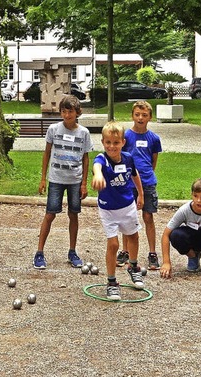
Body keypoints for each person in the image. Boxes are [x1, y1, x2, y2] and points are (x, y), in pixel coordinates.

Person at [32, 95, 93, 270]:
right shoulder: (53, 129)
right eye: (64, 112)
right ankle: (39, 252)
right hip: (56, 178)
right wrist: (43, 178)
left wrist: (84, 183)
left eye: (70, 112)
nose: (67, 115)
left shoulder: (84, 133)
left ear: (77, 113)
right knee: (50, 214)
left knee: (73, 214)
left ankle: (72, 251)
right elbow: (47, 153)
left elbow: (86, 158)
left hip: (74, 179)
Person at [91, 121, 145, 301]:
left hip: (127, 206)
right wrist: (98, 175)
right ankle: (112, 282)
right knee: (113, 244)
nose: (111, 146)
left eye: (115, 143)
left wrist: (141, 195)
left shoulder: (128, 158)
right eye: (108, 143)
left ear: (123, 142)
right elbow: (97, 166)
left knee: (134, 237)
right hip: (108, 209)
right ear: (103, 142)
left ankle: (134, 267)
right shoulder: (102, 159)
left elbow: (135, 176)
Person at [117, 100, 162, 270]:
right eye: (137, 115)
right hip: (129, 183)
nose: (140, 118)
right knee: (127, 217)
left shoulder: (154, 138)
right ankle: (125, 251)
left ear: (150, 117)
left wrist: (146, 176)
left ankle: (152, 253)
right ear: (132, 116)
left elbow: (153, 160)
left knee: (148, 217)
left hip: (148, 183)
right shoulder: (127, 136)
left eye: (144, 115)